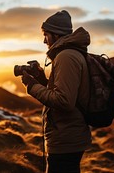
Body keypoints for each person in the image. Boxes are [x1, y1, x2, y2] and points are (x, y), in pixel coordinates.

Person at [21, 10, 92, 173]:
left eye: (46, 34)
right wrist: (41, 80)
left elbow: (64, 101)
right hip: (67, 135)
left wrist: (32, 86)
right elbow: (65, 91)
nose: (44, 40)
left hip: (66, 138)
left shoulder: (66, 57)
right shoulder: (69, 54)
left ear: (56, 34)